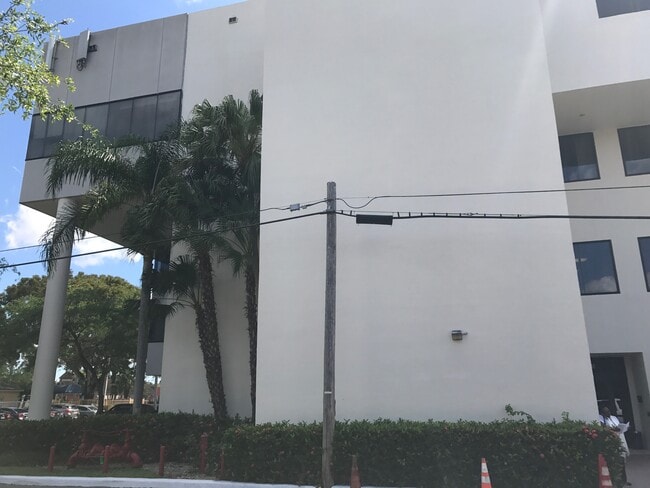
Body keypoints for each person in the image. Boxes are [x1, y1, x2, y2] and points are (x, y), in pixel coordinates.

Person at [600, 406, 631, 486]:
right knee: (616, 462)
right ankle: (617, 481)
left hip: (621, 438)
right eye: (606, 412)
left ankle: (624, 480)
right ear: (603, 413)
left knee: (622, 460)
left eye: (609, 411)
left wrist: (625, 427)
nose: (608, 413)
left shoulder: (614, 417)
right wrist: (613, 430)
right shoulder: (601, 419)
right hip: (613, 442)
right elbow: (604, 428)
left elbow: (619, 426)